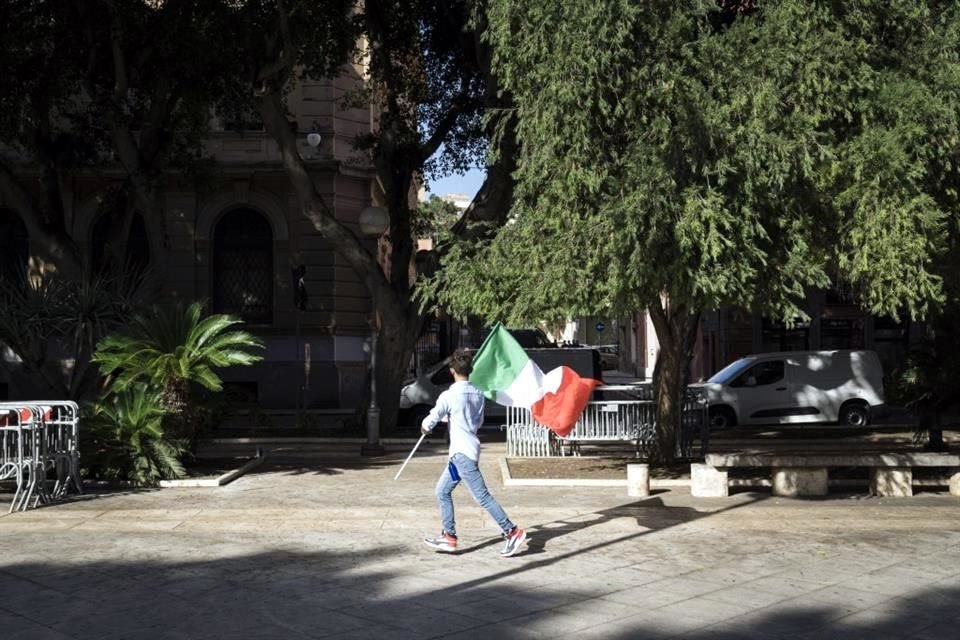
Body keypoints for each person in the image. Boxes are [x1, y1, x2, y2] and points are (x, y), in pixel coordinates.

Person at [421, 349, 527, 557]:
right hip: (466, 450)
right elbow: (477, 422)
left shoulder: (449, 395)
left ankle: (512, 531)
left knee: (482, 496)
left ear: (452, 370)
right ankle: (449, 536)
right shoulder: (478, 393)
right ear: (470, 370)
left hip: (462, 453)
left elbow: (431, 419)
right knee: (442, 491)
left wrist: (425, 427)